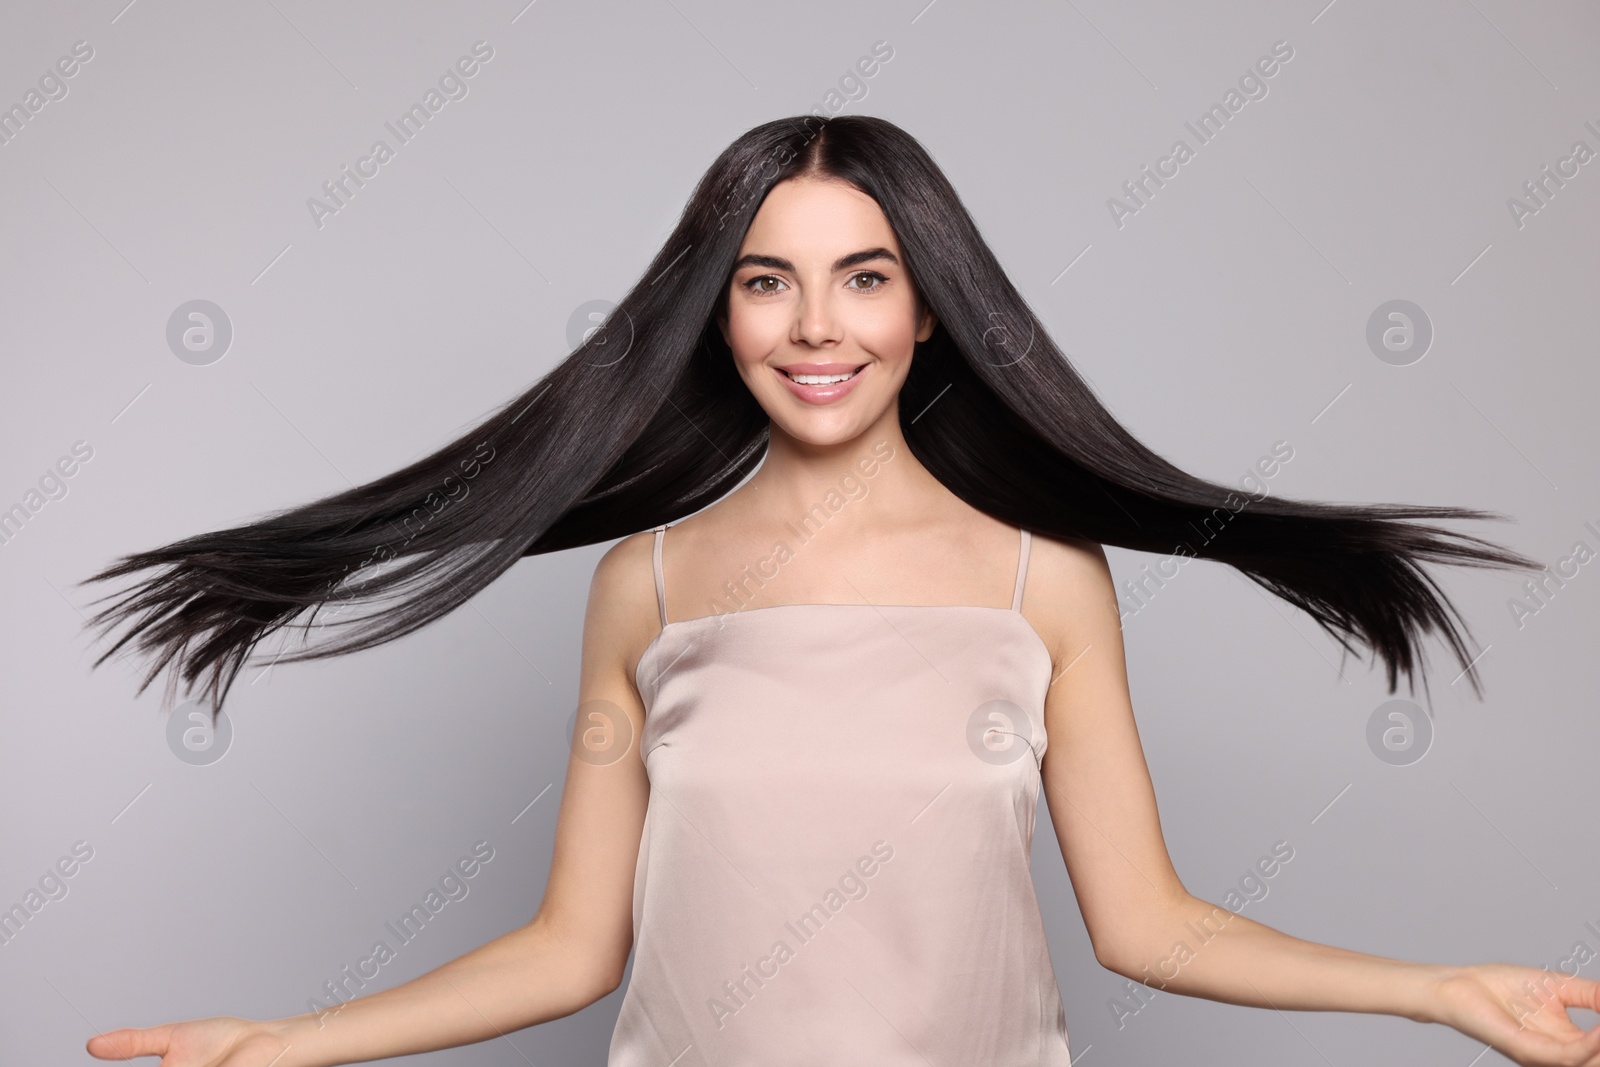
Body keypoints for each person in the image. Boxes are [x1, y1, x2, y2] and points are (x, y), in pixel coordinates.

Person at [81, 115, 1599, 1066]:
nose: (818, 325)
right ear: (717, 313)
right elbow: (569, 950)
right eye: (765, 279)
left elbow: (1150, 928)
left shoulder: (1041, 583)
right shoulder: (646, 589)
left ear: (930, 309)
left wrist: (1438, 989)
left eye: (866, 275)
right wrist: (296, 1040)